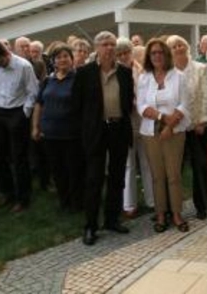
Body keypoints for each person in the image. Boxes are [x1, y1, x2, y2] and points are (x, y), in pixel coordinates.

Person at [72, 31, 135, 245]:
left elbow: (128, 102)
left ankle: (111, 219)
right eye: (105, 44)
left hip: (118, 129)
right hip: (96, 131)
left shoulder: (125, 73)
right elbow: (77, 106)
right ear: (96, 48)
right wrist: (85, 131)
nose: (109, 48)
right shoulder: (84, 73)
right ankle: (90, 226)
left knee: (117, 177)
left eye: (112, 44)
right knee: (94, 179)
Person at [137, 38, 192, 233]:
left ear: (166, 54)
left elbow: (185, 104)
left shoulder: (179, 76)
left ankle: (177, 214)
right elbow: (141, 106)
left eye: (160, 52)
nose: (157, 56)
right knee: (157, 176)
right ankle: (161, 214)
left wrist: (171, 125)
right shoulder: (144, 78)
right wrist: (162, 117)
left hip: (175, 132)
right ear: (149, 57)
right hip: (150, 132)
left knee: (173, 176)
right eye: (153, 53)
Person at [0, 42, 39, 213]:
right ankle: (7, 193)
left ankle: (23, 198)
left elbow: (33, 92)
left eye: (2, 61)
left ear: (7, 53)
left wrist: (25, 112)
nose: (0, 65)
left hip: (18, 111)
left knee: (19, 156)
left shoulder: (24, 66)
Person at [31, 43, 84, 212]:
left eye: (65, 56)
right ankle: (64, 200)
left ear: (72, 59)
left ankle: (77, 202)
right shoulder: (48, 80)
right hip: (50, 134)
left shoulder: (79, 79)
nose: (62, 60)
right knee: (57, 170)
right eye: (58, 57)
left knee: (74, 170)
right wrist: (35, 127)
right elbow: (39, 104)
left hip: (72, 134)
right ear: (53, 61)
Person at [167, 35, 207, 220]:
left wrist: (202, 120)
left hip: (196, 126)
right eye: (174, 46)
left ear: (187, 47)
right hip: (175, 128)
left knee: (200, 165)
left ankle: (202, 206)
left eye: (181, 44)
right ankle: (172, 209)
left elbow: (206, 94)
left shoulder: (201, 69)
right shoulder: (168, 73)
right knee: (173, 169)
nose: (178, 48)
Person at [117, 38, 155, 218]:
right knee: (129, 164)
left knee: (147, 160)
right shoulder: (115, 72)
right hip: (127, 121)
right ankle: (129, 204)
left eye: (126, 52)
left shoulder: (142, 70)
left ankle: (152, 199)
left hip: (144, 119)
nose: (124, 56)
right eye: (120, 54)